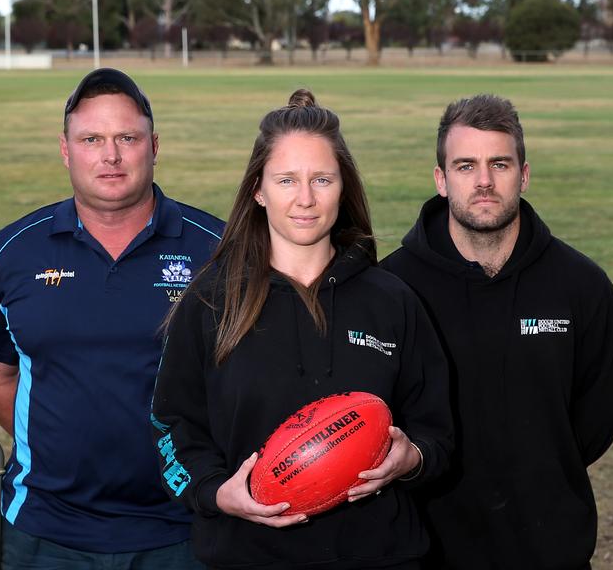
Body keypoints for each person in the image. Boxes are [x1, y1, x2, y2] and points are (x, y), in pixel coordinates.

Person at [151, 89, 454, 569]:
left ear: (343, 187)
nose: (306, 199)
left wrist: (410, 457)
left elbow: (438, 430)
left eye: (322, 179)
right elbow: (171, 424)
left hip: (379, 556)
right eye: (286, 179)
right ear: (258, 190)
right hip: (246, 556)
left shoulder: (391, 301)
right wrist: (215, 492)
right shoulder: (211, 299)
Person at [0, 67, 223, 568]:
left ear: (154, 145)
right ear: (66, 150)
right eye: (92, 139)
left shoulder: (216, 248)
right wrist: (48, 439)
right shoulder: (14, 251)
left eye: (127, 137)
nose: (110, 155)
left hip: (185, 528)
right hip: (45, 531)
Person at [378, 94, 613, 569]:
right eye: (466, 165)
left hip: (551, 548)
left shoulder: (581, 284)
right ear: (441, 179)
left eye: (500, 164)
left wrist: (541, 462)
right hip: (427, 551)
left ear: (525, 174)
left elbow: (598, 412)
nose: (485, 181)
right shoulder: (393, 288)